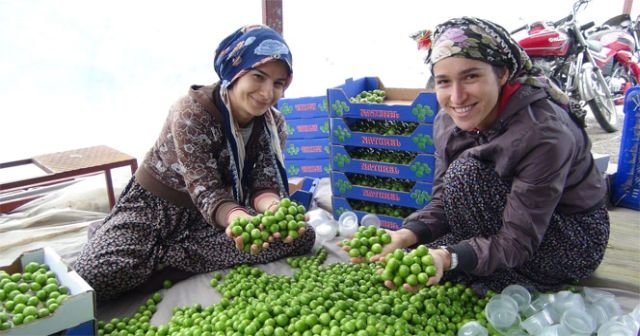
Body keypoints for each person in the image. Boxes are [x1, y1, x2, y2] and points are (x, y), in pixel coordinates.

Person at [369, 17, 610, 294]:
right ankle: (478, 258)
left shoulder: (544, 133)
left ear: (503, 74)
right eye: (444, 82)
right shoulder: (448, 121)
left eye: (471, 76)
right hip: (503, 216)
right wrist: (407, 234)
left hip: (568, 236)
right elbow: (443, 201)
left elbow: (518, 238)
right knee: (417, 256)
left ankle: (515, 274)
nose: (457, 97)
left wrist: (450, 257)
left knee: (465, 178)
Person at [74, 24, 315, 301]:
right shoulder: (192, 112)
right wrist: (238, 218)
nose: (267, 92)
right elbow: (205, 189)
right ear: (235, 72)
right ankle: (134, 243)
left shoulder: (273, 124)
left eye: (278, 83)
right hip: (158, 207)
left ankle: (157, 256)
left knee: (300, 236)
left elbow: (263, 182)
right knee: (93, 275)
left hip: (217, 215)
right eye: (258, 77)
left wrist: (272, 208)